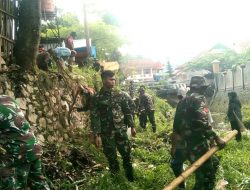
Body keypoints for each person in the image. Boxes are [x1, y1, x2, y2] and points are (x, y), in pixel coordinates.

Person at [170, 76, 225, 190]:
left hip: (183, 143)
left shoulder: (182, 101)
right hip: (196, 144)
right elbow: (202, 123)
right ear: (201, 88)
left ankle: (187, 185)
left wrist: (174, 145)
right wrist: (216, 138)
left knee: (213, 163)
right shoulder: (199, 98)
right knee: (207, 177)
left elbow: (176, 126)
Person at [90, 70, 136, 182]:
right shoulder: (97, 97)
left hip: (121, 130)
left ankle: (130, 179)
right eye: (111, 79)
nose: (113, 81)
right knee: (111, 157)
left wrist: (132, 126)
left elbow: (127, 111)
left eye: (114, 79)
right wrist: (97, 135)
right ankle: (117, 180)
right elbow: (95, 116)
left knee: (126, 155)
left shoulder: (120, 95)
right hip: (107, 133)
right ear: (104, 80)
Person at [0, 95, 50, 189]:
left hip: (18, 152)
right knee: (39, 184)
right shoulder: (7, 98)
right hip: (34, 146)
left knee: (9, 182)